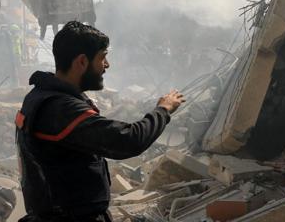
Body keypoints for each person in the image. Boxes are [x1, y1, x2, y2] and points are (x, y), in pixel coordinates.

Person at [15, 21, 185, 221]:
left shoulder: (41, 95)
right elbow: (127, 141)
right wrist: (163, 110)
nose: (107, 65)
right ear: (81, 62)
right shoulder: (60, 109)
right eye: (102, 57)